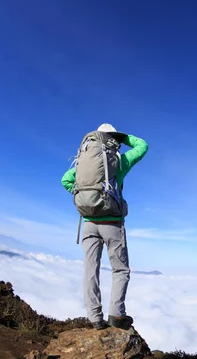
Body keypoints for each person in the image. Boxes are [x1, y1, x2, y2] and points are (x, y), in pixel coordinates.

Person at [61, 123, 148, 330]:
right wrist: (123, 137)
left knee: (90, 269)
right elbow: (142, 146)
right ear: (113, 140)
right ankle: (117, 315)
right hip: (112, 223)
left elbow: (65, 180)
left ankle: (94, 318)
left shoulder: (82, 162)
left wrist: (81, 194)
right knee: (120, 270)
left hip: (89, 223)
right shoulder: (119, 161)